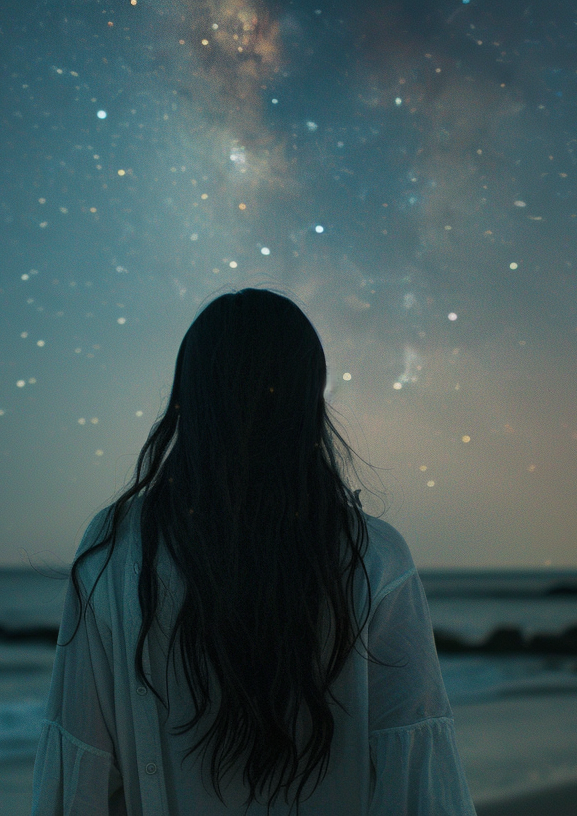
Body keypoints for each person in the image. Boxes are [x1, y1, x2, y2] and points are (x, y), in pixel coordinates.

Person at [31, 288, 473, 815]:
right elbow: (417, 783)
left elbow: (81, 773)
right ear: (309, 397)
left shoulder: (118, 546)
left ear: (188, 396)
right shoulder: (373, 556)